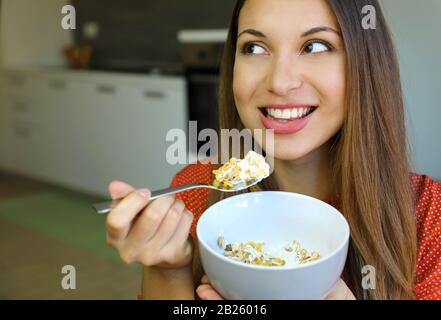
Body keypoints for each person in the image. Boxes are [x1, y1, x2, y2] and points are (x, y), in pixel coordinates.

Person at [105, 0, 441, 300]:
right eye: (253, 48)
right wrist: (168, 269)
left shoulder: (428, 216)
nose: (280, 82)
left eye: (315, 46)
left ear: (365, 64)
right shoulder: (193, 193)